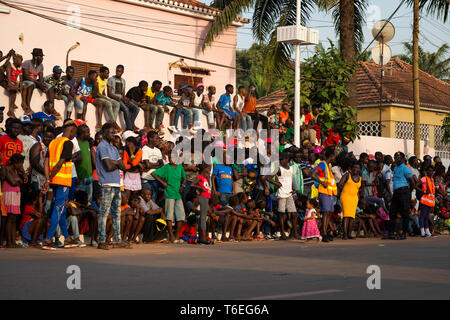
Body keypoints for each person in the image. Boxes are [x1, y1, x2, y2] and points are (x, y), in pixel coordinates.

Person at [41, 120, 79, 250]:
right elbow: (60, 164)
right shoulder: (68, 143)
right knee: (58, 209)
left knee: (60, 209)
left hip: (53, 180)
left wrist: (47, 178)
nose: (75, 136)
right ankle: (48, 238)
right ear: (72, 130)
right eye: (75, 132)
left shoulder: (53, 142)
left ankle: (67, 238)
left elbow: (46, 162)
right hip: (62, 181)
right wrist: (49, 179)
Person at [95, 123, 131, 250]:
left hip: (116, 183)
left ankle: (117, 239)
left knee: (117, 212)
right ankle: (101, 240)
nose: (113, 135)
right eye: (111, 132)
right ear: (104, 133)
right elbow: (109, 167)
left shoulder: (114, 148)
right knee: (104, 213)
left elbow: (123, 166)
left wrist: (114, 162)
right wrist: (116, 163)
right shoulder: (102, 147)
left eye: (114, 132)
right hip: (107, 183)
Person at [151, 152, 186, 243]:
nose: (171, 159)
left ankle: (177, 237)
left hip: (177, 195)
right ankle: (171, 236)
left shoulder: (179, 167)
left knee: (180, 216)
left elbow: (184, 178)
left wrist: (182, 185)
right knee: (169, 216)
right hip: (169, 193)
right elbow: (154, 174)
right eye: (170, 157)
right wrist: (163, 183)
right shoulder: (166, 167)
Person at [385, 152, 415, 240]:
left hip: (404, 192)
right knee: (392, 212)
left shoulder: (406, 168)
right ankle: (391, 233)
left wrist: (408, 192)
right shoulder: (396, 168)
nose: (396, 159)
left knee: (405, 213)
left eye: (398, 157)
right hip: (396, 193)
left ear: (402, 159)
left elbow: (412, 182)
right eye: (395, 157)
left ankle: (404, 233)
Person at [312, 147, 337, 242]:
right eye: (334, 155)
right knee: (325, 213)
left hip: (328, 192)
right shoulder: (322, 164)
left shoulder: (327, 165)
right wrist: (322, 183)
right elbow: (313, 174)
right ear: (331, 156)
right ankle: (324, 233)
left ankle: (325, 232)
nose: (335, 157)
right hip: (323, 191)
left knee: (328, 213)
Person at [3, 153, 26, 247]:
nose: (21, 166)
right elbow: (12, 182)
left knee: (14, 218)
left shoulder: (15, 171)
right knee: (9, 218)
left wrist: (21, 176)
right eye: (21, 163)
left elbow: (18, 181)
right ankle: (9, 241)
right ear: (16, 163)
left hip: (15, 194)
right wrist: (19, 179)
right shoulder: (6, 169)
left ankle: (13, 241)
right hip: (9, 194)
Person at [107, 65, 139, 131]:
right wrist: (120, 98)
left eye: (119, 71)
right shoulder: (111, 79)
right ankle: (129, 128)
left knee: (136, 108)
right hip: (115, 99)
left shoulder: (123, 81)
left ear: (122, 72)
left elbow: (123, 94)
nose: (117, 72)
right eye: (117, 71)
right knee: (126, 109)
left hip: (122, 99)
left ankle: (131, 124)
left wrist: (126, 100)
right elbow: (109, 94)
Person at [275, 153, 297, 240]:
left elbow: (290, 179)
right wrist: (277, 183)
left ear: (286, 159)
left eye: (282, 159)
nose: (280, 161)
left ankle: (294, 233)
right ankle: (282, 233)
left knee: (294, 214)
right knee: (281, 214)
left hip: (289, 193)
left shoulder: (290, 168)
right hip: (281, 194)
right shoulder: (279, 169)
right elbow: (268, 178)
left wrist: (293, 187)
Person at [338, 161, 362, 239]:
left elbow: (358, 189)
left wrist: (358, 198)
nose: (356, 169)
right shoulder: (347, 175)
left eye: (358, 168)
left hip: (354, 198)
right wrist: (343, 188)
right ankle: (345, 234)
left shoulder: (360, 178)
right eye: (354, 167)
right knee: (346, 215)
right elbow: (340, 184)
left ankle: (349, 234)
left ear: (360, 169)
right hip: (345, 197)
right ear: (351, 168)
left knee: (352, 216)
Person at [94, 66, 121, 132]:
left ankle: (112, 122)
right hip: (96, 98)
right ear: (101, 73)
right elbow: (97, 94)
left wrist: (106, 97)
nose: (108, 75)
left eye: (108, 73)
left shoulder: (105, 81)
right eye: (106, 73)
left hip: (102, 97)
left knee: (117, 104)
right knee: (108, 103)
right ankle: (114, 123)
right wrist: (106, 99)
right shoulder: (97, 80)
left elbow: (103, 92)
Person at [191, 164, 212, 244]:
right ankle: (202, 239)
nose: (210, 169)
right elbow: (192, 184)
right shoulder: (199, 177)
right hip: (202, 197)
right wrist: (200, 188)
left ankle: (201, 238)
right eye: (208, 168)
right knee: (203, 218)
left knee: (203, 218)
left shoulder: (205, 177)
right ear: (204, 169)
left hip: (206, 198)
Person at [21, 48, 46, 113]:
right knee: (31, 84)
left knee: (49, 86)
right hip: (26, 82)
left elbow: (41, 77)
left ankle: (52, 108)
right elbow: (25, 76)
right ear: (35, 57)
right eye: (40, 56)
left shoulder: (41, 66)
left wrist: (42, 84)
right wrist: (38, 83)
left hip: (35, 82)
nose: (42, 58)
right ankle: (27, 107)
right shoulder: (26, 63)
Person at [141, 131, 163, 203]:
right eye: (156, 138)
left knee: (153, 200)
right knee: (146, 201)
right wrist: (156, 165)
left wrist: (151, 165)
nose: (158, 140)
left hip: (156, 179)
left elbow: (161, 165)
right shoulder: (145, 149)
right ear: (150, 138)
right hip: (146, 179)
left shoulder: (158, 151)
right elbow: (147, 165)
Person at [75, 124, 94, 202]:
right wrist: (76, 177)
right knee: (79, 202)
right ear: (82, 133)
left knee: (88, 202)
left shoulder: (87, 142)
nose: (89, 134)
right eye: (88, 132)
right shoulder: (75, 144)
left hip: (89, 178)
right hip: (80, 180)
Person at [418, 166, 436, 237]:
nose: (430, 172)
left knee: (426, 216)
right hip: (424, 200)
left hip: (430, 201)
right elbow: (415, 186)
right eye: (429, 171)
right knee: (422, 216)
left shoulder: (432, 179)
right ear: (426, 171)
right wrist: (424, 191)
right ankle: (422, 232)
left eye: (432, 171)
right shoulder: (424, 178)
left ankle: (427, 231)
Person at [5, 53, 23, 118]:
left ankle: (22, 103)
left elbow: (21, 78)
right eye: (20, 61)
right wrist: (16, 87)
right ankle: (11, 110)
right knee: (14, 91)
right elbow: (9, 80)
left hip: (15, 82)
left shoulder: (19, 68)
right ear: (15, 61)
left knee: (24, 87)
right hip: (8, 81)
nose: (21, 63)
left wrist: (21, 85)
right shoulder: (10, 66)